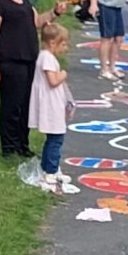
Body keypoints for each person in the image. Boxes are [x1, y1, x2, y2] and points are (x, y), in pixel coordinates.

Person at [0, 0, 67, 159]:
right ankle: (9, 147)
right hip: (11, 60)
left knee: (26, 104)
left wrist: (54, 13)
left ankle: (23, 144)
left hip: (29, 59)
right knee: (12, 104)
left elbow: (37, 21)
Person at [29, 22, 74, 191]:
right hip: (50, 105)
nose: (66, 48)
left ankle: (48, 168)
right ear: (53, 42)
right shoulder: (47, 57)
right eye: (63, 44)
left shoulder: (45, 56)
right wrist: (63, 74)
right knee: (56, 139)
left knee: (53, 139)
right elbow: (53, 81)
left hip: (51, 103)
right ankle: (51, 172)